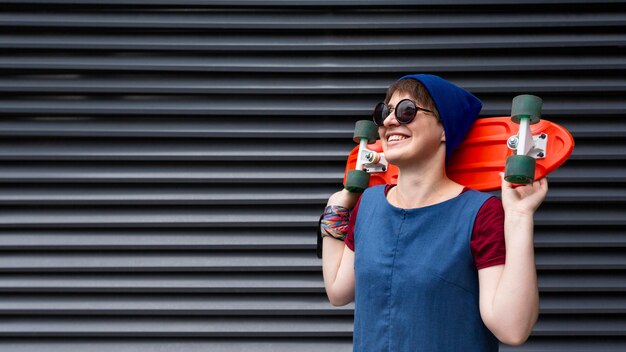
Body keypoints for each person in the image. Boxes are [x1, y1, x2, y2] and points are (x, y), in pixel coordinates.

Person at [318, 74, 547, 351]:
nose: (390, 121)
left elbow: (512, 329)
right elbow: (338, 291)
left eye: (406, 111)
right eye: (384, 112)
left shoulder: (481, 213)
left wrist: (520, 216)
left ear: (444, 129)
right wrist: (337, 207)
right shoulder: (368, 205)